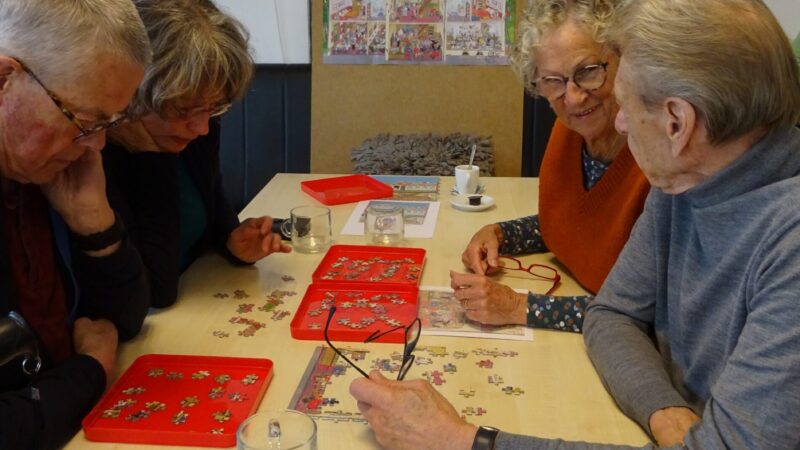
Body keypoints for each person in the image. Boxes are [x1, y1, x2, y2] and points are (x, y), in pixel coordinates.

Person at [351, 0, 800, 448]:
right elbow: (612, 314)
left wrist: (459, 441)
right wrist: (664, 411)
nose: (621, 123)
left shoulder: (786, 243)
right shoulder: (684, 181)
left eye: (623, 102)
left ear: (677, 123)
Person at [0, 0, 152, 448]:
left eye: (109, 123)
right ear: (5, 80)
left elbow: (122, 320)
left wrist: (93, 222)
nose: (96, 145)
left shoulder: (46, 168)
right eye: (84, 122)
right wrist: (90, 372)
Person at [451, 0, 649, 333]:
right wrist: (501, 233)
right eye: (553, 81)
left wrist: (518, 306)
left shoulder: (657, 159)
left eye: (587, 72)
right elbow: (577, 223)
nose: (572, 97)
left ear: (621, 61)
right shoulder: (568, 130)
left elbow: (649, 313)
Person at [90, 0, 291, 309]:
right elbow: (156, 291)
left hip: (196, 301)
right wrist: (150, 158)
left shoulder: (197, 126)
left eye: (212, 108)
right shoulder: (96, 156)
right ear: (132, 89)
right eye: (182, 109)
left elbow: (211, 203)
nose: (201, 128)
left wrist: (231, 241)